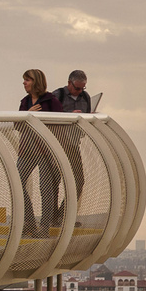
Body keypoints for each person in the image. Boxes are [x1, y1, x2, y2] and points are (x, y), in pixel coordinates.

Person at [16, 70, 62, 237]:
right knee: (17, 183)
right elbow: (18, 126)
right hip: (27, 150)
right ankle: (29, 222)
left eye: (27, 80)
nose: (24, 83)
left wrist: (36, 117)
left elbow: (60, 127)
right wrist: (29, 114)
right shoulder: (25, 102)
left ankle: (44, 228)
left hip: (46, 151)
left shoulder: (52, 101)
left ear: (35, 82)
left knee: (46, 189)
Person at [51, 71, 90, 226]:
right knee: (54, 181)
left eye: (83, 88)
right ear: (69, 83)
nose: (80, 92)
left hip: (74, 144)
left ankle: (63, 215)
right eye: (77, 88)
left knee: (78, 180)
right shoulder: (58, 95)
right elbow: (50, 115)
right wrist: (68, 114)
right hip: (58, 144)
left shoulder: (85, 97)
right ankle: (53, 218)